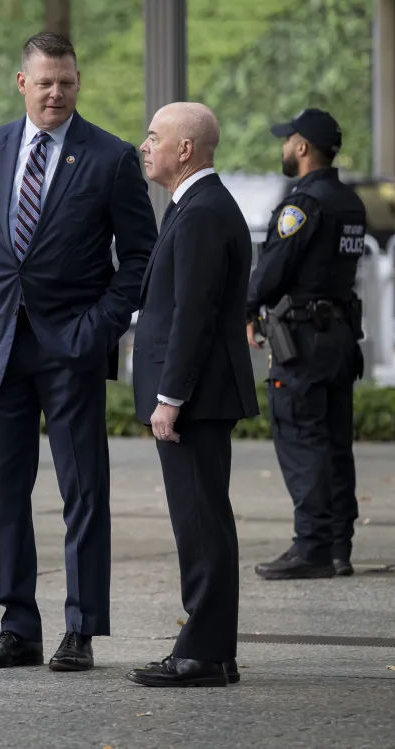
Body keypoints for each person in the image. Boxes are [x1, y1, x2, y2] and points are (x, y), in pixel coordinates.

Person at [0, 32, 157, 671]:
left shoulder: (110, 158)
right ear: (21, 83)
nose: (58, 93)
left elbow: (140, 256)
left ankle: (81, 628)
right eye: (46, 82)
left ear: (78, 83)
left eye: (68, 82)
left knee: (83, 489)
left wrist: (101, 327)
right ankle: (18, 627)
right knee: (5, 490)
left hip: (72, 350)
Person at [126, 102, 258, 688]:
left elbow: (194, 315)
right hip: (199, 396)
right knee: (204, 519)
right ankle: (214, 649)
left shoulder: (202, 211)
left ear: (186, 149)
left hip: (196, 398)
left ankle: (203, 653)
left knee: (201, 522)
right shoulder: (195, 206)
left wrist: (170, 397)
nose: (144, 146)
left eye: (154, 137)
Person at [247, 108, 366, 580]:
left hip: (303, 341)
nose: (283, 147)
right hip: (339, 337)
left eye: (287, 140)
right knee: (335, 441)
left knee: (302, 437)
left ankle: (312, 546)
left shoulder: (303, 205)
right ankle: (338, 545)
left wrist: (247, 308)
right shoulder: (349, 202)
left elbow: (274, 267)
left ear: (302, 148)